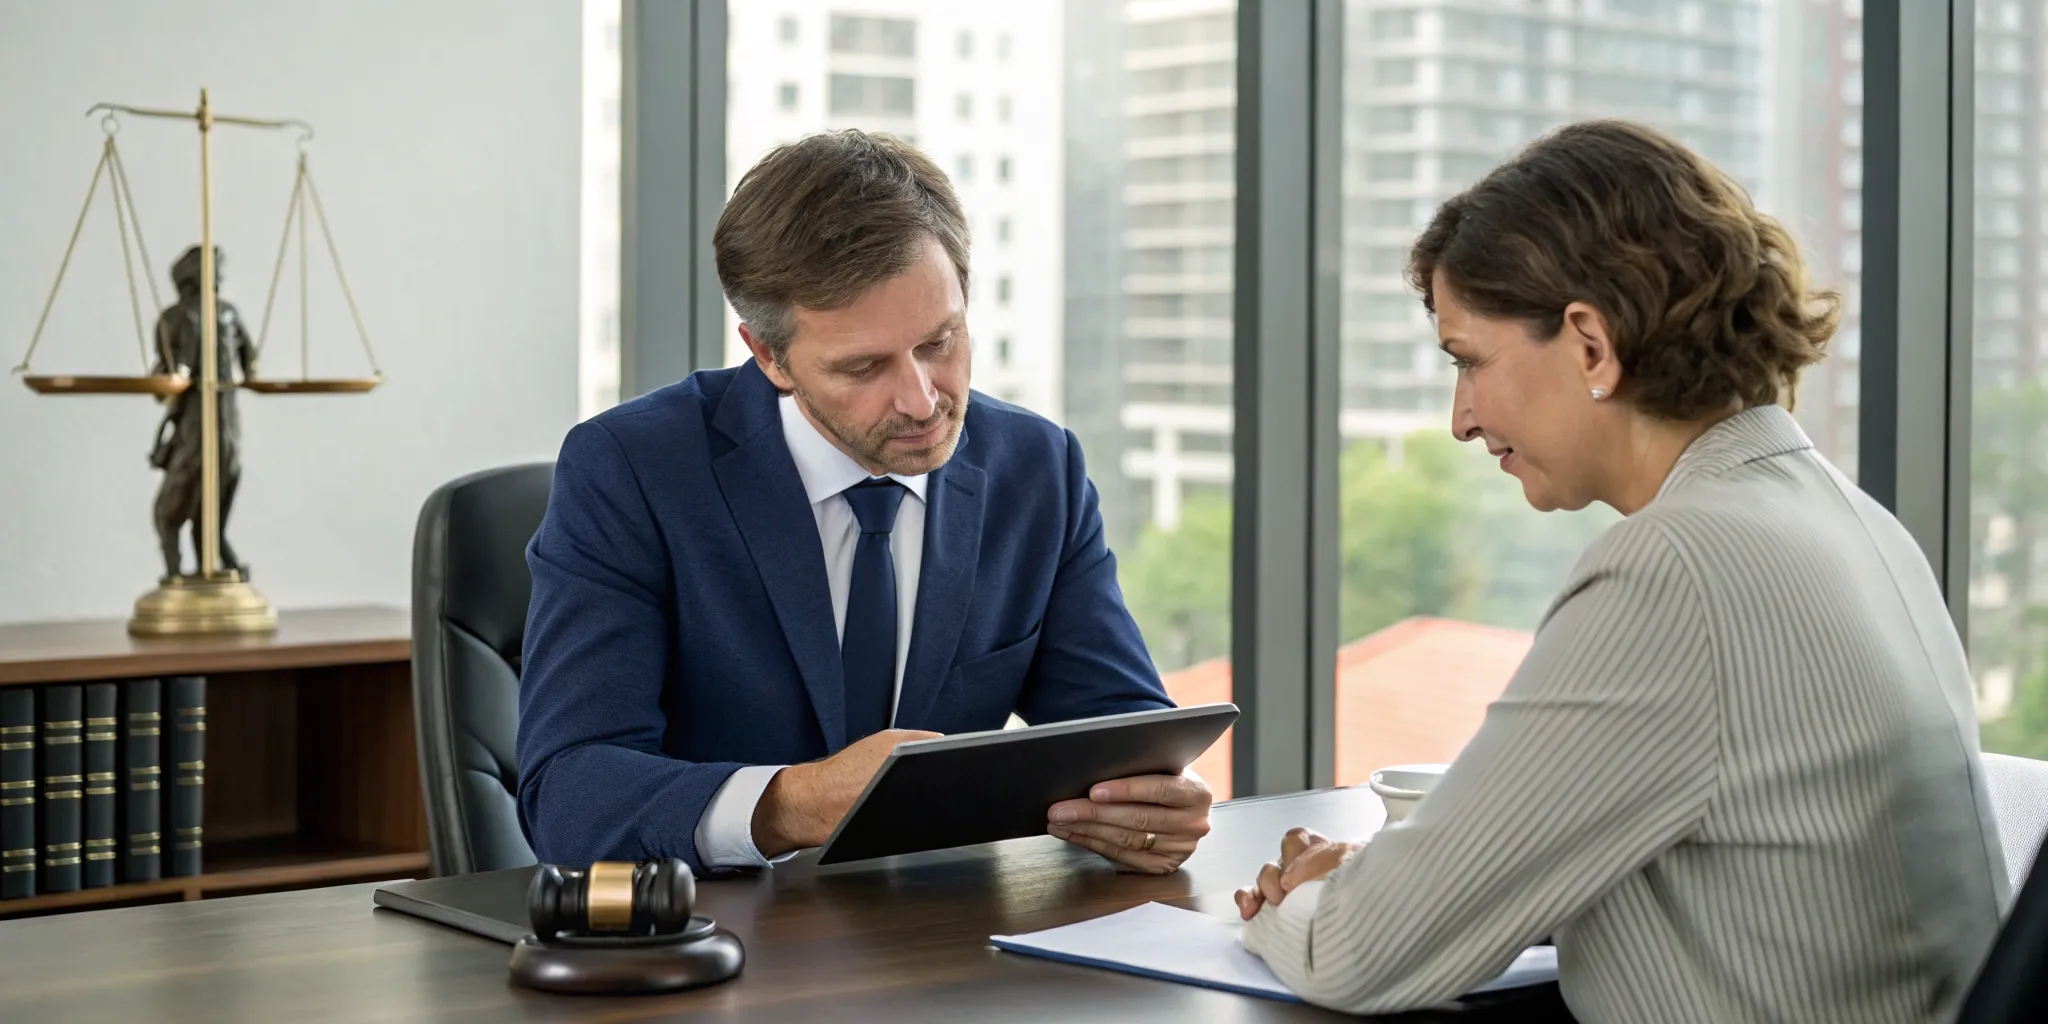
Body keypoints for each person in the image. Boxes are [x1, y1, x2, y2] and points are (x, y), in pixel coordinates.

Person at [1235, 120, 2010, 1023]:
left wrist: (1302, 899)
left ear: (1591, 344)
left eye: (1470, 361)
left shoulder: (1676, 568)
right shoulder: (1849, 521)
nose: (1463, 418)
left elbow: (1354, 955)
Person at [517, 130, 1212, 876]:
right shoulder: (631, 471)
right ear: (768, 356)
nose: (921, 400)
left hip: (945, 939)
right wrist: (791, 804)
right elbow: (568, 790)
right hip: (714, 943)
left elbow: (1126, 733)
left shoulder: (1037, 469)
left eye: (940, 342)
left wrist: (1157, 805)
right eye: (863, 367)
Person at [149, 244, 258, 580]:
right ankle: (221, 565)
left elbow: (168, 377)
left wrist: (165, 382)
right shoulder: (228, 314)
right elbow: (250, 361)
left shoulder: (177, 317)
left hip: (199, 429)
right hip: (224, 429)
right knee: (207, 512)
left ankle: (179, 574)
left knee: (168, 514)